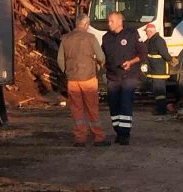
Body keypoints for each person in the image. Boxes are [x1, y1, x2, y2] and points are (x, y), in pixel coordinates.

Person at [57, 14, 109, 147]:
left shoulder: (66, 38)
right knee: (92, 108)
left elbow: (60, 60)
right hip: (89, 79)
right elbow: (101, 57)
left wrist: (67, 71)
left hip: (72, 80)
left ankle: (80, 138)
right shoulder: (91, 38)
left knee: (76, 109)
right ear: (86, 24)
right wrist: (98, 67)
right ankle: (98, 137)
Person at [101, 11, 143, 145]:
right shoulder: (106, 38)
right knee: (114, 105)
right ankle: (118, 131)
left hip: (129, 76)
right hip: (112, 77)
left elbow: (142, 53)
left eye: (111, 21)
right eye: (108, 21)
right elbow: (103, 56)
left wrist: (131, 62)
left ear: (120, 22)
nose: (109, 24)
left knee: (125, 103)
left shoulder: (132, 34)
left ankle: (125, 134)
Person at [143, 23, 174, 116]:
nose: (146, 34)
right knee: (158, 92)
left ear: (150, 31)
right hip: (156, 71)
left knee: (160, 92)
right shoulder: (154, 40)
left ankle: (161, 110)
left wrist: (170, 60)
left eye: (146, 32)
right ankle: (160, 109)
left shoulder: (157, 41)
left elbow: (164, 53)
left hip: (158, 71)